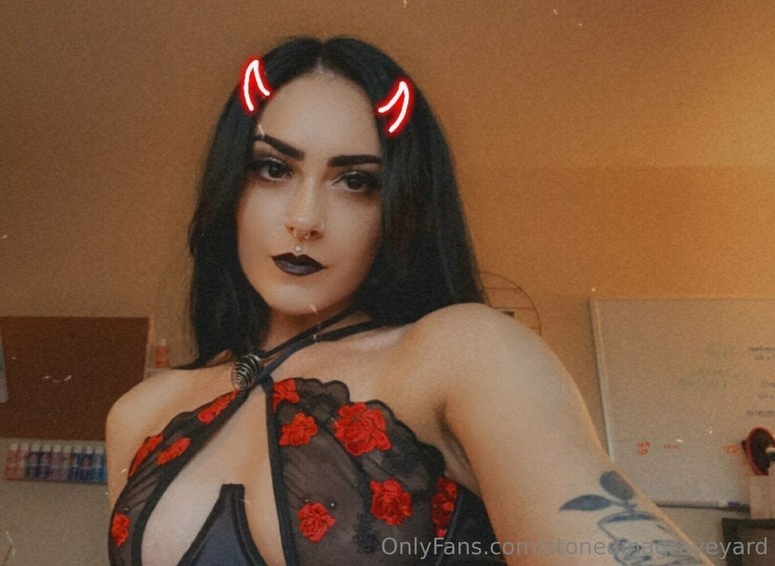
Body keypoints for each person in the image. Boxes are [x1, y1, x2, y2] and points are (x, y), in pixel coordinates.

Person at [106, 37, 708, 565]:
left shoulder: (462, 355)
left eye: (356, 181)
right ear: (230, 184)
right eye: (273, 169)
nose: (305, 219)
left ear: (402, 206)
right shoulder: (140, 414)